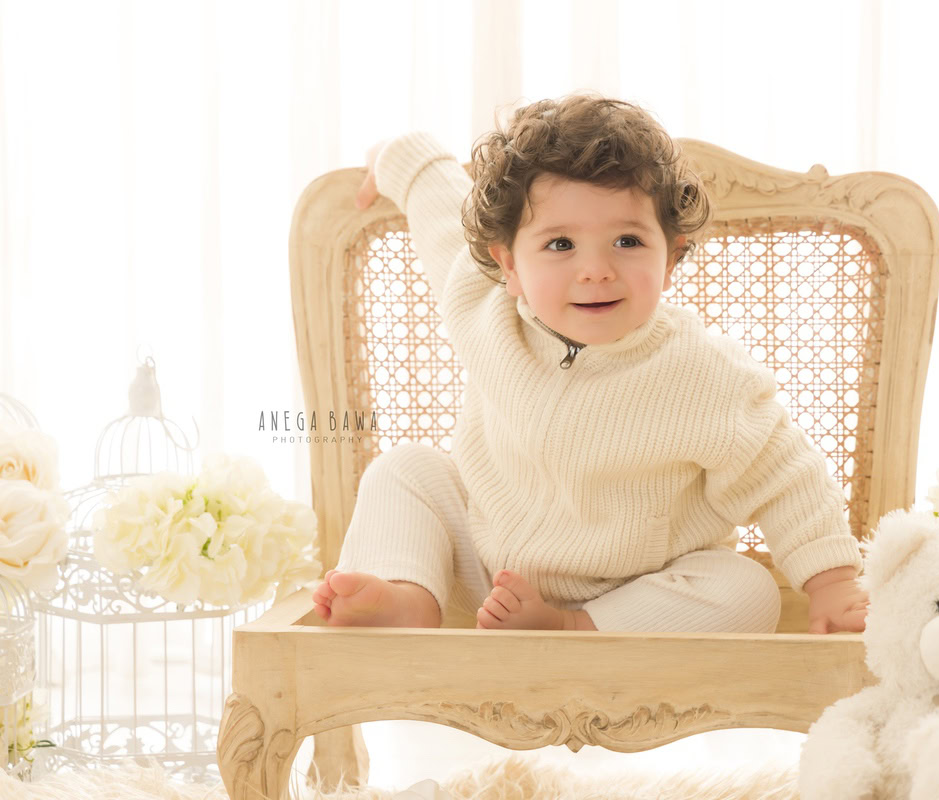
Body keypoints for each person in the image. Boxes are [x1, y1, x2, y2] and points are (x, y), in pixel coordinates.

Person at [311, 94, 869, 634]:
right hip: (487, 578)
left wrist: (833, 583)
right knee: (405, 468)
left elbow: (786, 475)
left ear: (670, 257)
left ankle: (572, 628)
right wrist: (395, 153)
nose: (596, 270)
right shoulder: (481, 303)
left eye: (627, 240)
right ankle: (408, 595)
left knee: (746, 588)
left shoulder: (705, 375)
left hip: (635, 595)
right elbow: (436, 204)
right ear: (507, 263)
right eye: (560, 245)